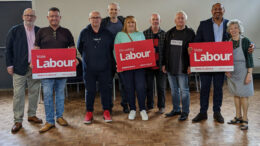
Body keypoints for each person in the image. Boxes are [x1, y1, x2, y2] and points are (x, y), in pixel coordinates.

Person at [191, 3, 254, 123]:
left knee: (218, 88)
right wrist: (191, 49)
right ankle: (203, 112)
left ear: (223, 11)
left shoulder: (229, 24)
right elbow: (197, 42)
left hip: (221, 63)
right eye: (215, 9)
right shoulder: (203, 24)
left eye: (220, 9)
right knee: (204, 88)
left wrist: (252, 45)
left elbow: (241, 38)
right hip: (206, 63)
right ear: (211, 11)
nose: (217, 11)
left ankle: (217, 112)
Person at [34, 7, 76, 133]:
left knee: (60, 94)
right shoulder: (41, 31)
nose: (54, 18)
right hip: (46, 70)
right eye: (51, 16)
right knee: (47, 95)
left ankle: (60, 117)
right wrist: (34, 62)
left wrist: (75, 58)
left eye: (56, 16)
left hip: (62, 70)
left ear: (60, 17)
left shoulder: (66, 32)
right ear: (48, 18)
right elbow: (36, 48)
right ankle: (50, 121)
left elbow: (72, 48)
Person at [6, 8, 42, 133]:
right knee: (18, 95)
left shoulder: (39, 31)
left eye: (32, 15)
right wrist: (9, 65)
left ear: (35, 17)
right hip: (18, 67)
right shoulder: (15, 30)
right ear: (23, 17)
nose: (29, 18)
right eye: (27, 15)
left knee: (34, 92)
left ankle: (32, 115)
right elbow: (8, 49)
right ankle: (18, 120)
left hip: (35, 68)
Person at [78, 11, 114, 124]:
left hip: (105, 68)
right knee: (90, 91)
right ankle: (89, 112)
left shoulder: (107, 33)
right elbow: (80, 48)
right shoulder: (84, 32)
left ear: (101, 19)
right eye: (93, 18)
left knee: (105, 90)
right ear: (89, 19)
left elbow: (111, 48)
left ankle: (106, 111)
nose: (95, 20)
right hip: (89, 69)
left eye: (97, 17)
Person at [114, 16, 148, 120]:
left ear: (135, 23)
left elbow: (145, 48)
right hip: (126, 67)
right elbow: (115, 51)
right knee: (129, 88)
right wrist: (118, 63)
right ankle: (132, 109)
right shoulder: (120, 35)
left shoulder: (140, 34)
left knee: (141, 87)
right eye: (128, 22)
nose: (131, 24)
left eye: (133, 22)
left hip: (139, 67)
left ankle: (142, 109)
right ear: (125, 24)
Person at [162, 11, 195, 121]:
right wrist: (164, 64)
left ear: (185, 20)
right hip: (171, 67)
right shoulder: (169, 33)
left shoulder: (190, 33)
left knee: (184, 91)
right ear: (175, 20)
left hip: (183, 67)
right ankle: (176, 109)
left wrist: (191, 65)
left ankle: (185, 111)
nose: (180, 20)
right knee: (174, 90)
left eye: (182, 18)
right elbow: (165, 50)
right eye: (178, 18)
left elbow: (194, 51)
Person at [226, 19, 254, 130]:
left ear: (239, 29)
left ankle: (245, 119)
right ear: (229, 30)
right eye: (231, 28)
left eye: (236, 27)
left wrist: (249, 73)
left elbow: (249, 58)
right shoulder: (228, 42)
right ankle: (238, 116)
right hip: (232, 72)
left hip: (243, 70)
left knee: (244, 95)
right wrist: (226, 70)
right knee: (236, 94)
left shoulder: (246, 41)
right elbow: (225, 58)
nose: (233, 30)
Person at [101, 2, 129, 113]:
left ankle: (125, 105)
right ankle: (108, 107)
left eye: (115, 9)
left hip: (122, 56)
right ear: (108, 11)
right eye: (111, 9)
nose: (114, 11)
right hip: (108, 57)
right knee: (108, 83)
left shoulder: (123, 21)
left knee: (125, 83)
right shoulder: (104, 23)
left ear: (119, 10)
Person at [143, 13, 166, 114]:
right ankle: (150, 105)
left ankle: (161, 106)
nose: (155, 21)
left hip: (161, 66)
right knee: (149, 87)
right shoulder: (144, 34)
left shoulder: (165, 34)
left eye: (157, 19)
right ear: (150, 21)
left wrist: (166, 64)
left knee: (161, 88)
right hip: (148, 66)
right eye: (153, 19)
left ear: (160, 21)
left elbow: (167, 51)